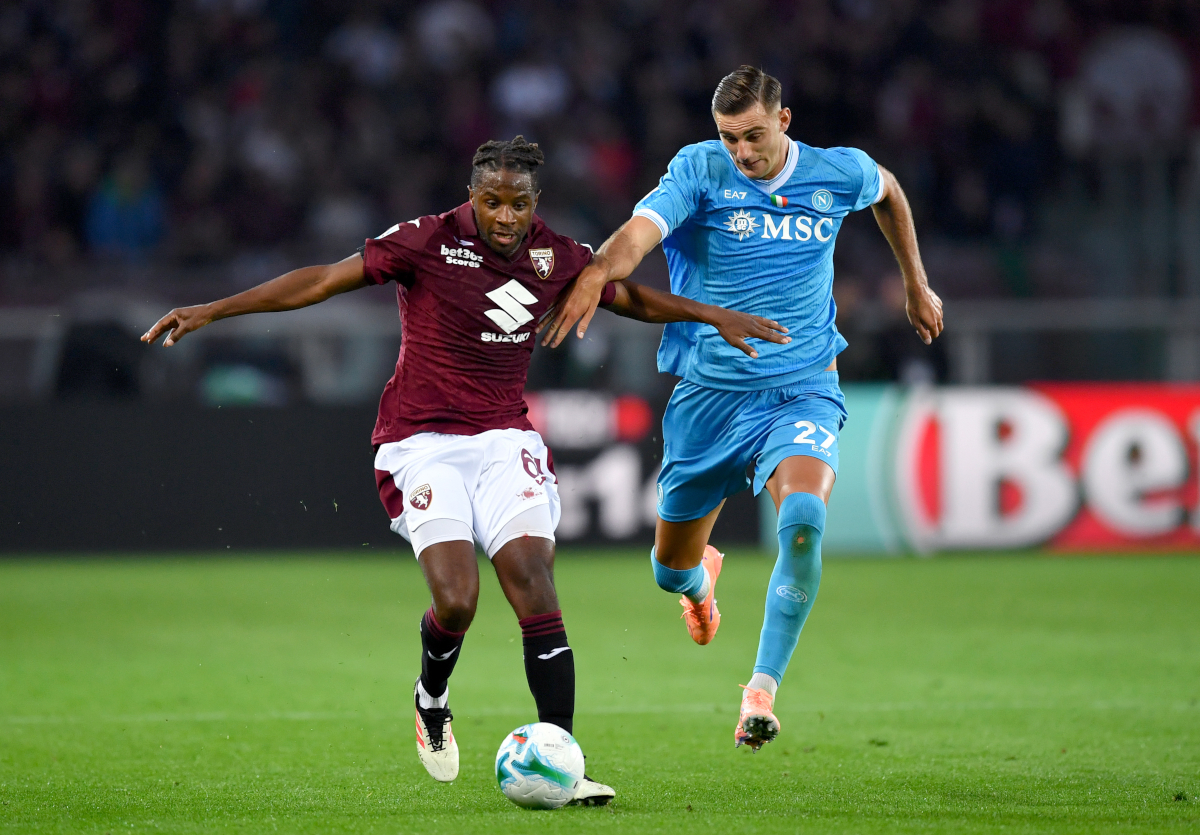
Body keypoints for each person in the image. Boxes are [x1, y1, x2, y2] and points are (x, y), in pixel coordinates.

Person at [141, 136, 789, 796]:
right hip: (419, 441)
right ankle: (430, 696)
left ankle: (566, 761)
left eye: (518, 204)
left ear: (536, 202)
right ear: (471, 194)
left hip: (506, 440)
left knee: (533, 582)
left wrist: (712, 315)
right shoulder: (425, 241)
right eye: (491, 202)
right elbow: (323, 280)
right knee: (457, 599)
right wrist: (214, 310)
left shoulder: (557, 255)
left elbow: (629, 298)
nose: (504, 216)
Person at [541, 68, 944, 750]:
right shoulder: (699, 170)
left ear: (783, 121)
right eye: (730, 138)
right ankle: (700, 586)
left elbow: (890, 191)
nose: (743, 152)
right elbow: (638, 233)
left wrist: (916, 283)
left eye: (754, 136)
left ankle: (761, 690)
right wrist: (597, 270)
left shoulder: (833, 172)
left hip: (802, 384)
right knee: (668, 567)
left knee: (806, 517)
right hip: (709, 398)